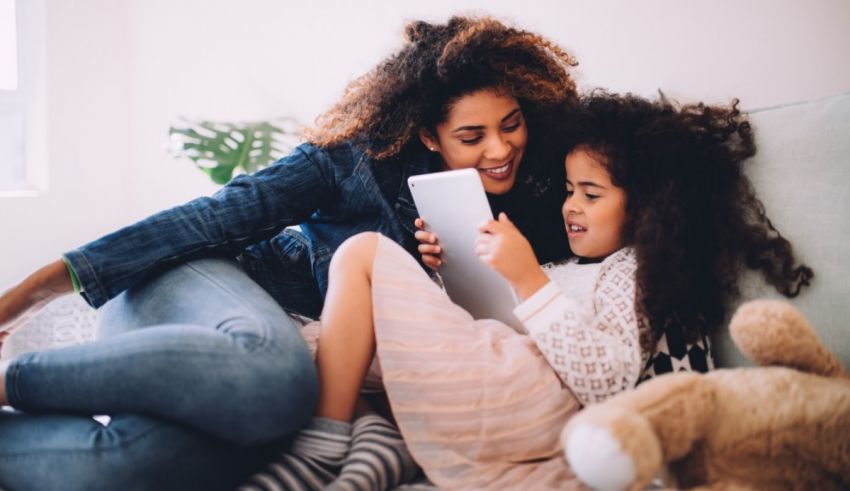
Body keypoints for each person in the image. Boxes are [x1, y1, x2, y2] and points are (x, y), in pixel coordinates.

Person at [0, 16, 578, 491]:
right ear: (429, 134)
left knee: (141, 465)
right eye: (472, 137)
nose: (501, 149)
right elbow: (212, 218)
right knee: (277, 379)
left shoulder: (545, 197)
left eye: (511, 125)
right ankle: (12, 380)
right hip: (201, 284)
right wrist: (24, 297)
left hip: (214, 368)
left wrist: (443, 278)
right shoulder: (350, 159)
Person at [240, 91, 813, 490]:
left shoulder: (635, 271)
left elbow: (608, 380)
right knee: (349, 344)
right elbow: (513, 325)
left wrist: (527, 278)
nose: (570, 205)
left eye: (590, 194)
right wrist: (445, 278)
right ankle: (369, 442)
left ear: (648, 210)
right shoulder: (576, 267)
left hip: (542, 401)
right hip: (516, 385)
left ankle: (321, 445)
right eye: (568, 189)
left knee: (362, 254)